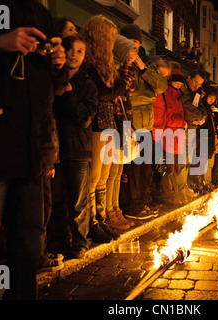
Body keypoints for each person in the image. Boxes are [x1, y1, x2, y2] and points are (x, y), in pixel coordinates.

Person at [0, 0, 66, 299]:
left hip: (33, 145)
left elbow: (52, 81)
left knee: (29, 238)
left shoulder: (39, 12)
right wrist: (0, 42)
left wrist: (57, 63)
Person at [51, 35, 98, 259]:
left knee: (79, 201)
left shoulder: (87, 84)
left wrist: (68, 94)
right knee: (58, 199)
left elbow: (84, 118)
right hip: (57, 149)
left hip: (78, 148)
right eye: (70, 50)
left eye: (80, 51)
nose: (73, 55)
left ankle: (80, 241)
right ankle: (62, 241)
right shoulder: (52, 79)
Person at [81, 15, 127, 242]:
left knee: (105, 175)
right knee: (95, 175)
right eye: (110, 37)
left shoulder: (107, 64)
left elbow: (118, 87)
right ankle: (91, 223)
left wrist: (116, 88)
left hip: (109, 122)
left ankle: (100, 219)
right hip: (97, 122)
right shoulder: (87, 63)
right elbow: (102, 92)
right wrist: (116, 90)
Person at [123, 56, 171, 220]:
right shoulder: (130, 71)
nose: (162, 77)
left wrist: (145, 70)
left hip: (146, 127)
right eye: (161, 73)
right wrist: (149, 97)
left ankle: (142, 202)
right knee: (135, 171)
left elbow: (161, 87)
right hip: (134, 126)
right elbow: (130, 98)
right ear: (155, 66)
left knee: (146, 169)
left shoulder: (146, 72)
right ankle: (134, 207)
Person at [104, 34, 138, 231]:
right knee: (110, 172)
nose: (132, 59)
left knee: (117, 171)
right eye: (130, 54)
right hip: (114, 120)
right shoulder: (117, 70)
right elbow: (118, 92)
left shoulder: (128, 71)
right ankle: (109, 211)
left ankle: (115, 209)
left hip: (123, 121)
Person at [152, 68, 187, 206]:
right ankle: (168, 194)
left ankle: (175, 191)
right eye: (176, 82)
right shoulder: (166, 95)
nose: (178, 85)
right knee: (170, 168)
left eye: (180, 83)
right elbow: (168, 118)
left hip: (177, 137)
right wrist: (183, 122)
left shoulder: (178, 96)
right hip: (169, 137)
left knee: (176, 168)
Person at [178, 69, 207, 203]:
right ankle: (179, 188)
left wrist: (203, 117)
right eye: (195, 82)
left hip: (192, 129)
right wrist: (200, 117)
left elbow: (202, 109)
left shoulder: (196, 94)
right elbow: (186, 109)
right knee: (181, 161)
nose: (196, 86)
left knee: (188, 160)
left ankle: (185, 186)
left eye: (199, 84)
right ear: (189, 77)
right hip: (183, 128)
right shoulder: (182, 90)